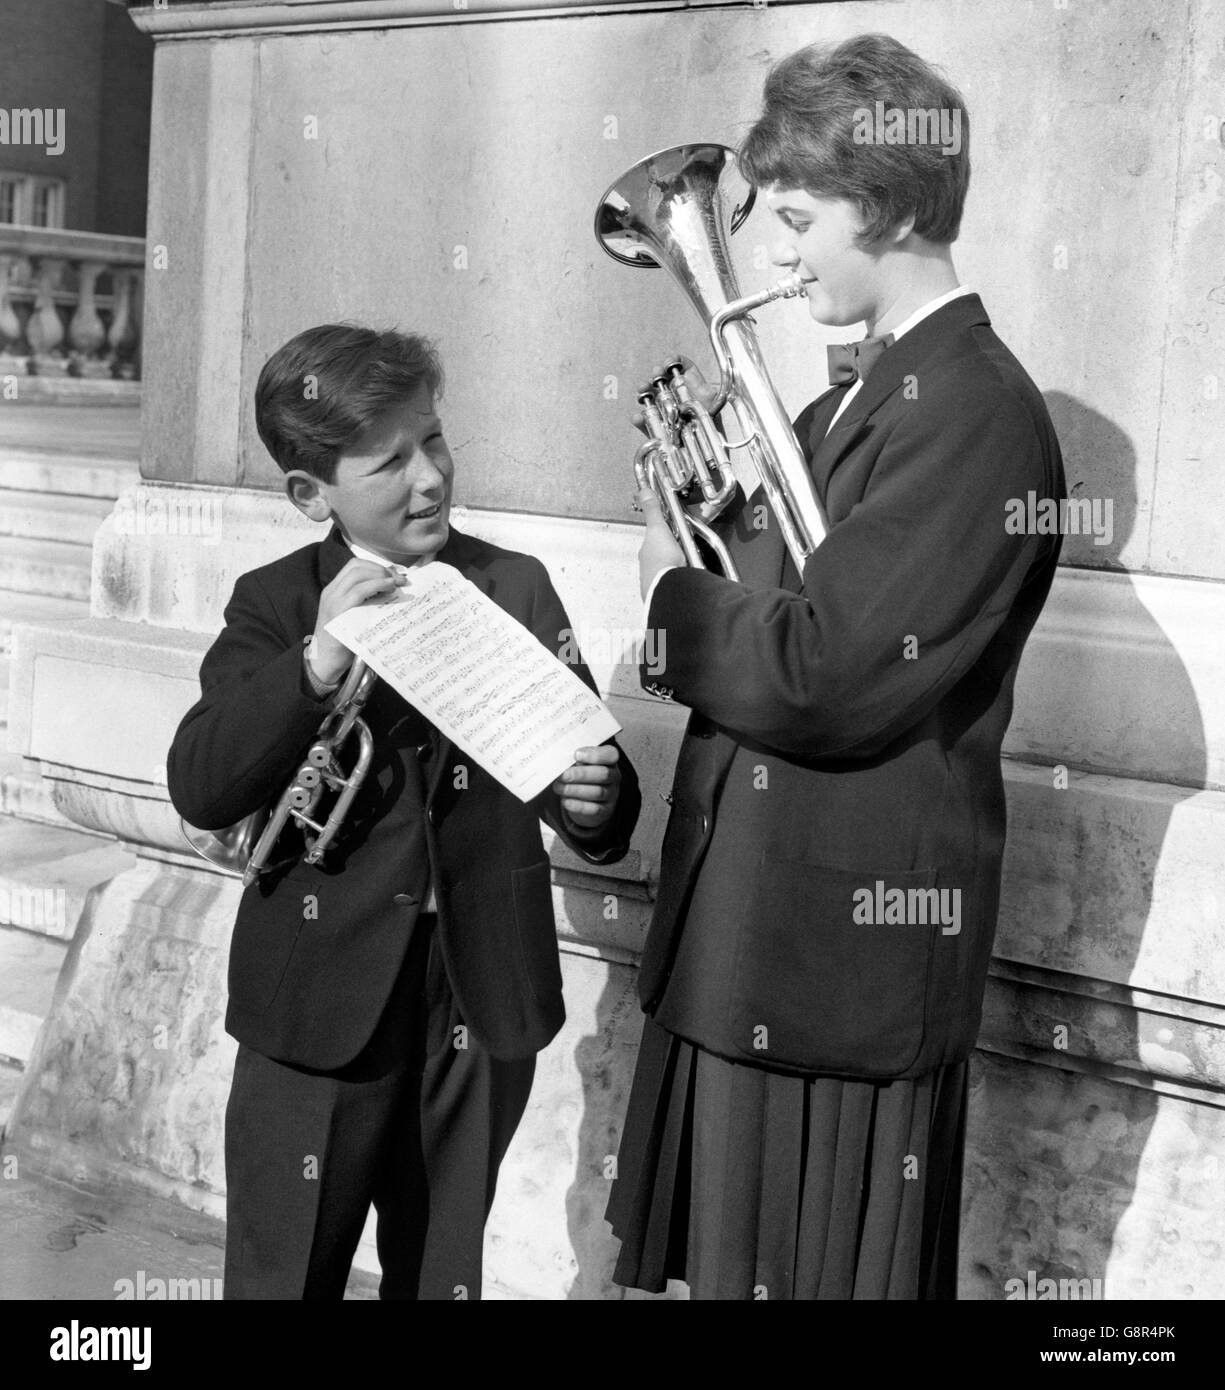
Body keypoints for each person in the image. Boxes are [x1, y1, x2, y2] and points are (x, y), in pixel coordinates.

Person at [606, 33, 1065, 1299]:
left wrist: (670, 582)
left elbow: (823, 675)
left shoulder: (974, 411)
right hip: (750, 930)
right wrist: (706, 559)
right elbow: (758, 620)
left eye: (799, 217)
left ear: (891, 203)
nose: (774, 250)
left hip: (833, 966)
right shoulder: (849, 401)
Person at [168, 323, 640, 1300]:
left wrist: (598, 798)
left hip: (477, 989)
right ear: (312, 495)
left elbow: (585, 774)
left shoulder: (515, 584)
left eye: (434, 440)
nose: (428, 477)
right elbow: (202, 781)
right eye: (389, 461)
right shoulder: (277, 601)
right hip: (316, 997)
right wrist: (317, 661)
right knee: (281, 1273)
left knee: (442, 1274)